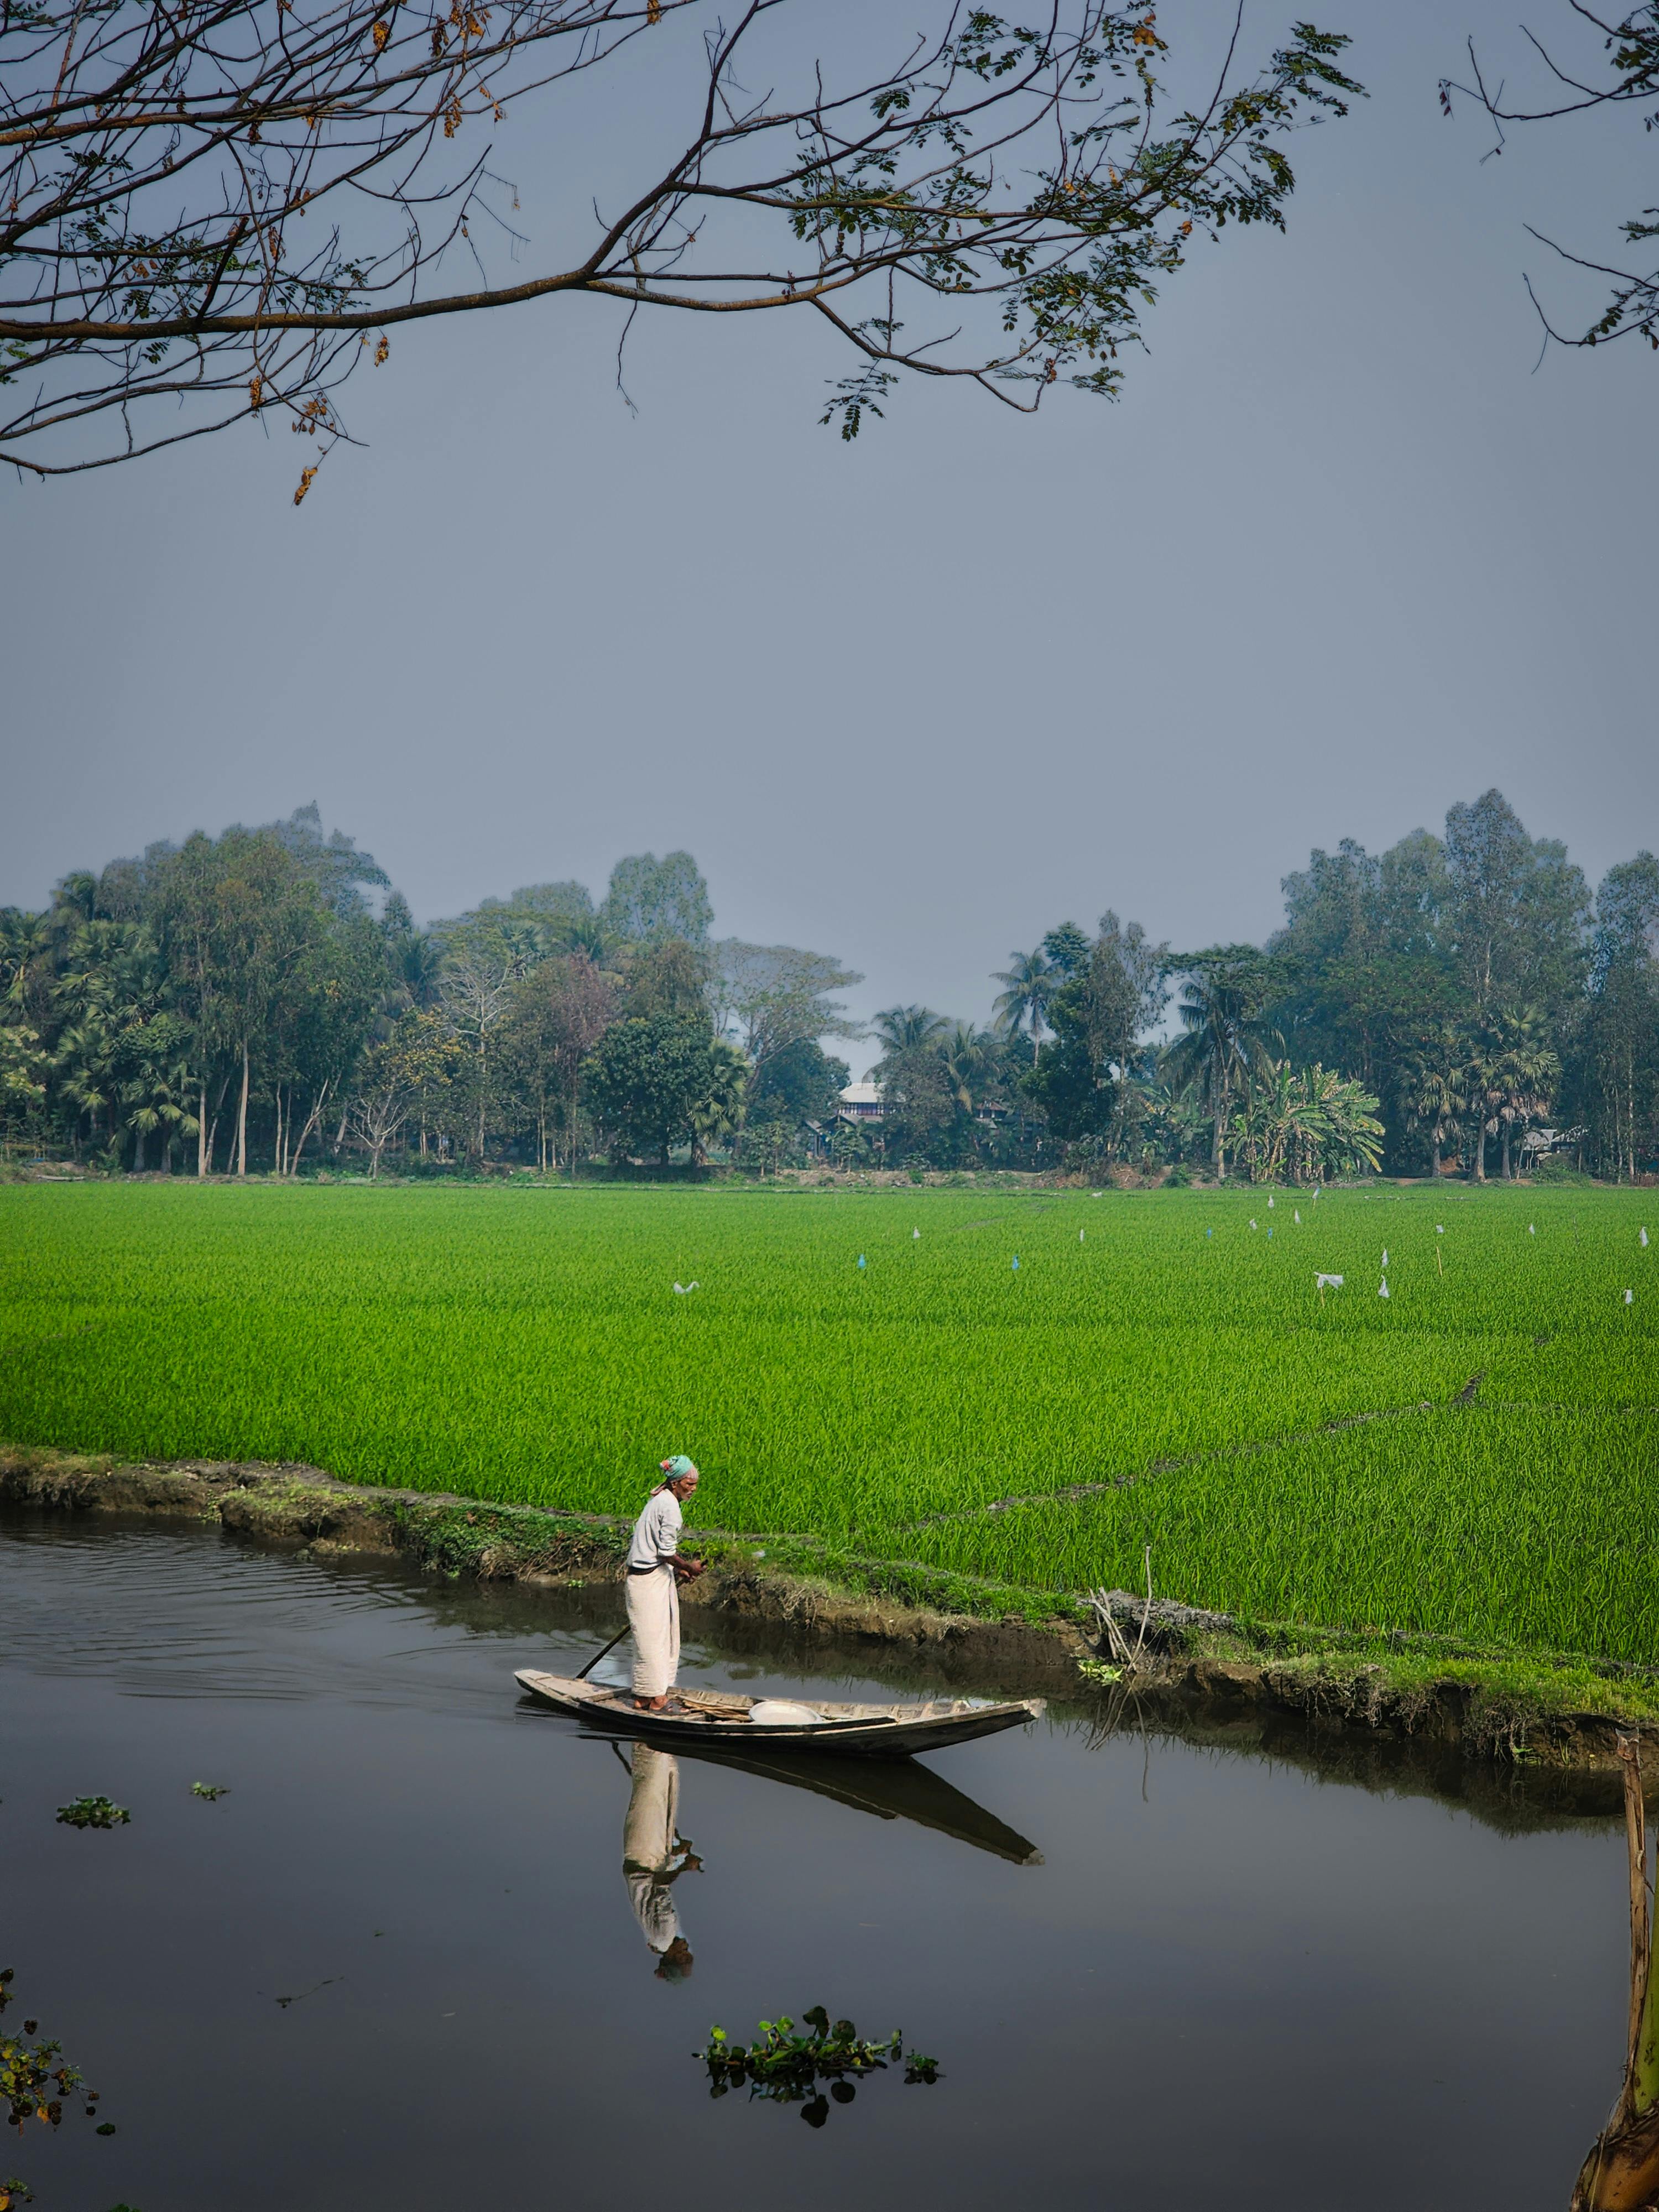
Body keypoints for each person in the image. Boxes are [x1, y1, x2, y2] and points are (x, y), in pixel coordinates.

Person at [625, 1454, 705, 1713]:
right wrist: (687, 1567)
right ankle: (658, 1700)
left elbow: (656, 1550)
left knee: (654, 1637)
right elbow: (665, 1551)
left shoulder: (660, 1499)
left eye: (695, 1484)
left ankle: (644, 1698)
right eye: (689, 1484)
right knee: (653, 1640)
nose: (693, 1489)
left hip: (650, 1575)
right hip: (647, 1581)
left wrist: (675, 1570)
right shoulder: (670, 1507)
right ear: (675, 1483)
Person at [620, 1742, 701, 1981]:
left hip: (645, 1857)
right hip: (644, 1858)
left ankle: (649, 1747)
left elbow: (660, 1884)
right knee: (654, 1797)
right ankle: (652, 1749)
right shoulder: (659, 1940)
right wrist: (676, 1854)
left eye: (684, 1957)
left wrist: (686, 1866)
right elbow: (658, 1883)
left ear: (671, 1958)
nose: (688, 1950)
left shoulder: (665, 1936)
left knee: (653, 1796)